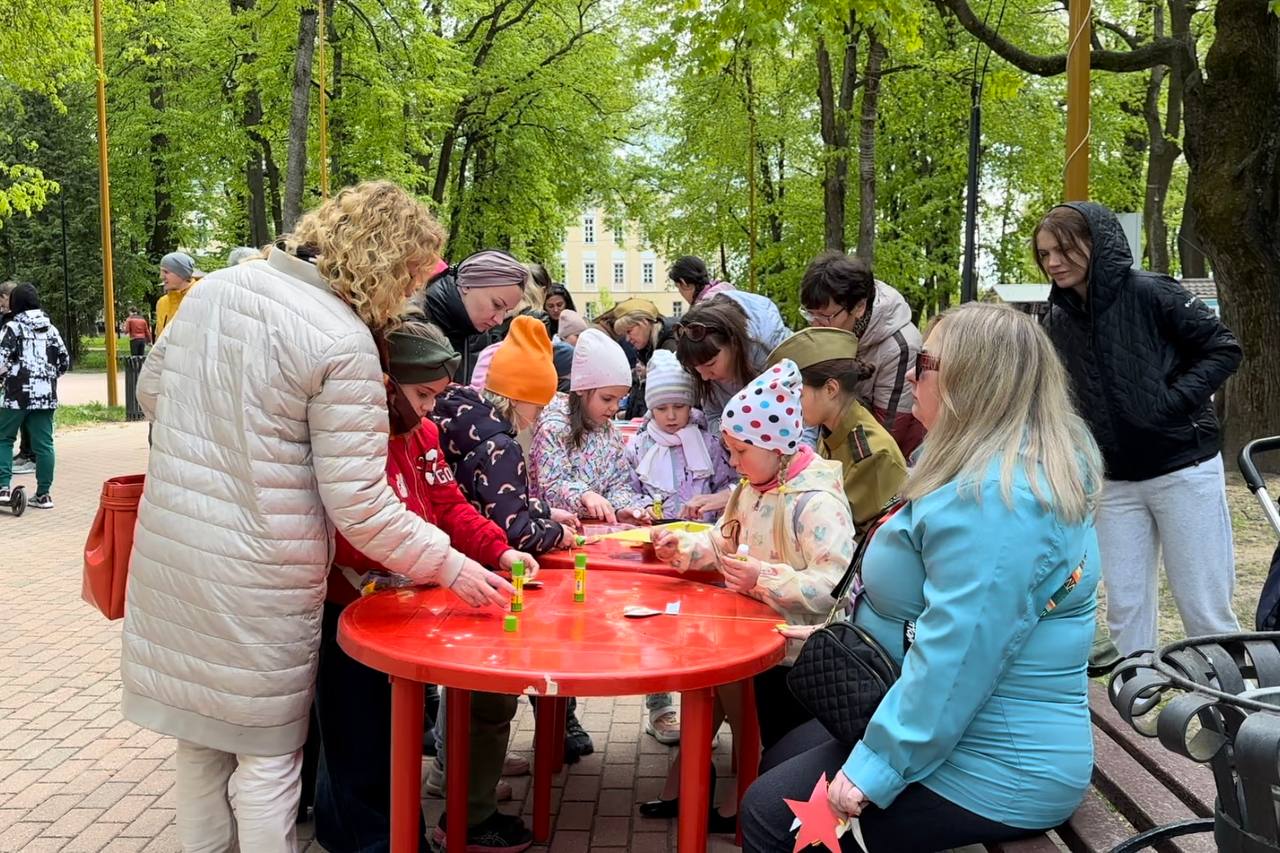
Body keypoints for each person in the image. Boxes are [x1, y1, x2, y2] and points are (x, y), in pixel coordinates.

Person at [120, 181, 515, 852]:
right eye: (411, 277)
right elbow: (360, 502)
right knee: (269, 756)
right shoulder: (342, 339)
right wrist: (452, 565)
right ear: (387, 264)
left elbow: (153, 390)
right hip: (265, 568)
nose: (411, 294)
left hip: (173, 551)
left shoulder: (214, 290)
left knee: (201, 743)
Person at [740, 303, 1104, 853]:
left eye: (926, 362)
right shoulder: (978, 463)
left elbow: (962, 654)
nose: (910, 374)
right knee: (781, 757)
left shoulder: (1001, 500)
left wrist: (876, 769)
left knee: (770, 818)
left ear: (974, 380)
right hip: (955, 723)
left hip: (995, 762)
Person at [314, 319, 537, 853]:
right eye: (422, 396)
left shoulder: (424, 434)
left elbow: (449, 504)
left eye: (437, 396)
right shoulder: (359, 438)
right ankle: (373, 839)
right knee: (358, 731)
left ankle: (370, 831)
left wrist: (498, 549)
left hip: (403, 602)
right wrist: (443, 565)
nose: (431, 408)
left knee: (384, 728)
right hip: (350, 607)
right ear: (385, 385)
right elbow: (359, 526)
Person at [644, 359, 856, 828]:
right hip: (752, 640)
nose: (733, 463)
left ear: (777, 447)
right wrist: (686, 549)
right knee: (721, 700)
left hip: (796, 657)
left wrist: (763, 576)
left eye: (740, 451)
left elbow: (834, 587)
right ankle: (721, 796)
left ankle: (759, 815)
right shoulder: (750, 489)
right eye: (729, 450)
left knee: (779, 745)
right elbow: (725, 541)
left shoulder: (816, 503)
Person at [1038, 201, 1242, 658]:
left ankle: (1226, 699)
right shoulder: (1055, 320)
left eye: (1063, 250)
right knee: (1126, 610)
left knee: (1203, 607)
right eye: (1045, 253)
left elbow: (1223, 349)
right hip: (1114, 483)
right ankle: (1138, 695)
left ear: (1095, 244)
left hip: (1183, 467)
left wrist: (1171, 403)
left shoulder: (1151, 292)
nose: (1053, 262)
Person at [434, 316, 595, 767]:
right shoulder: (501, 444)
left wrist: (543, 510)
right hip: (480, 565)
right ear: (520, 399)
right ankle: (466, 772)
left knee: (458, 682)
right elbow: (513, 528)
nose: (538, 419)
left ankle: (452, 763)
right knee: (485, 691)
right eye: (538, 408)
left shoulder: (464, 418)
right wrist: (557, 533)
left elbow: (493, 496)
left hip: (455, 555)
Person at [767, 328, 906, 534]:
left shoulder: (872, 454)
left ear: (831, 389)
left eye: (798, 395)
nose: (791, 406)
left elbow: (848, 532)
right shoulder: (831, 430)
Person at [799, 251, 926, 458]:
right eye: (810, 314)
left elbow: (886, 438)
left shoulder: (900, 348)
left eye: (825, 316)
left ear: (859, 307)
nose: (815, 324)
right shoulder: (833, 330)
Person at [529, 328, 650, 524]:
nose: (614, 407)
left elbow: (618, 483)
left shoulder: (610, 432)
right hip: (556, 529)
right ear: (581, 389)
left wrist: (621, 508)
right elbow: (550, 486)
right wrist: (584, 495)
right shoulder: (553, 427)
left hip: (598, 530)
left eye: (620, 399)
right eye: (607, 398)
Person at [0, 283, 70, 510]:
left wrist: (9, 374)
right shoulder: (51, 329)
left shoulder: (12, 328)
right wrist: (47, 377)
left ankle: (3, 488)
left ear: (15, 303)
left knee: (4, 438)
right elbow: (64, 362)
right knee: (44, 445)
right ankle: (43, 495)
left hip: (16, 395)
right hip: (45, 395)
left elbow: (1, 360)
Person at [413, 249, 529, 384]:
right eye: (497, 305)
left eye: (507, 311)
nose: (499, 320)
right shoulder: (415, 321)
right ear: (467, 285)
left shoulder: (479, 332)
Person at [668, 255, 791, 353]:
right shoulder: (728, 292)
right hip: (777, 349)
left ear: (684, 283)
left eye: (678, 287)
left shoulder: (706, 308)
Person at [0, 281, 35, 476]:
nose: (2, 306)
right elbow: (63, 361)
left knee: (7, 434)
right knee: (34, 426)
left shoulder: (15, 324)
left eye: (3, 301)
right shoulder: (44, 323)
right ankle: (28, 455)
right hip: (39, 385)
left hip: (19, 382)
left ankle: (30, 456)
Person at [154, 251, 198, 339]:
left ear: (182, 274)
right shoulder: (162, 302)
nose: (161, 277)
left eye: (166, 272)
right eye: (161, 272)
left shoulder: (200, 299)